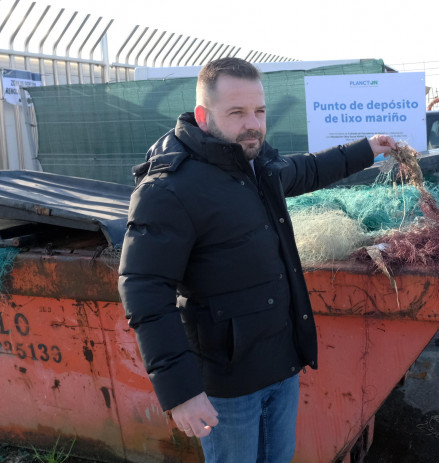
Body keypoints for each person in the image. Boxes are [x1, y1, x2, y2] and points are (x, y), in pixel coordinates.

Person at [117, 57, 397, 462]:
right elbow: (143, 291)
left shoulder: (255, 162)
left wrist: (367, 148)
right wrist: (182, 393)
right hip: (229, 386)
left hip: (281, 364)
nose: (253, 123)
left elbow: (308, 169)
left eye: (259, 111)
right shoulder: (169, 189)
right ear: (203, 115)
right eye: (237, 112)